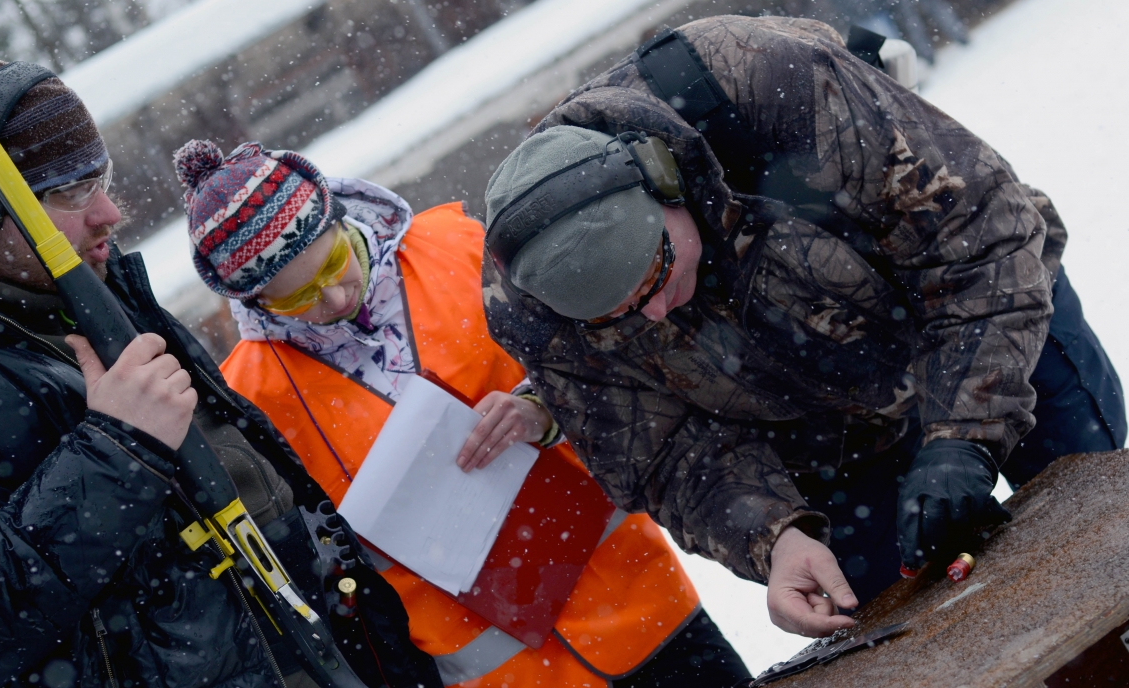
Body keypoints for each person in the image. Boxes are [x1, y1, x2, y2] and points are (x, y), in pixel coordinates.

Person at [480, 16, 1125, 639]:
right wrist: (776, 535)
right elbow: (665, 453)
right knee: (908, 631)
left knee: (1096, 524)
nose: (651, 312)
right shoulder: (529, 307)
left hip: (979, 319)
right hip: (823, 438)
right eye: (614, 313)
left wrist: (965, 436)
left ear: (664, 186)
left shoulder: (756, 82)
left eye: (654, 272)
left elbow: (979, 238)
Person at [0, 59, 456, 688]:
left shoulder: (105, 297)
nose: (109, 212)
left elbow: (258, 503)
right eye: (70, 193)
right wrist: (115, 449)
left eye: (102, 178)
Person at [172, 139, 753, 688]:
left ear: (337, 215)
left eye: (333, 263)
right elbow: (343, 587)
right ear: (252, 302)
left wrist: (542, 409)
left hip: (636, 601)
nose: (333, 295)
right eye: (297, 297)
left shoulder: (460, 247)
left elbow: (604, 363)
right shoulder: (255, 400)